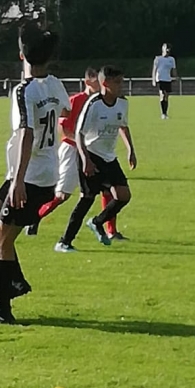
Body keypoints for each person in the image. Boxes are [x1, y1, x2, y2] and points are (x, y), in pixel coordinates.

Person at [0, 24, 70, 325]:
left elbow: (26, 133)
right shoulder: (55, 84)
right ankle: (14, 280)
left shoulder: (23, 90)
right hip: (41, 171)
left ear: (21, 55)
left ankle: (2, 311)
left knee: (3, 240)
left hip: (28, 176)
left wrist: (17, 182)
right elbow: (65, 112)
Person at [54, 65, 137, 253]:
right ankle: (64, 242)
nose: (121, 86)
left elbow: (123, 126)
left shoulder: (122, 103)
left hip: (109, 157)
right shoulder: (93, 104)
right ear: (105, 84)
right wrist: (86, 160)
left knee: (123, 195)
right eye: (117, 82)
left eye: (122, 82)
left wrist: (130, 150)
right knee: (87, 199)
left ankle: (97, 222)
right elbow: (79, 133)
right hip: (91, 154)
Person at [23, 67, 101, 235]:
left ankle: (109, 230)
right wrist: (81, 143)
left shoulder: (98, 102)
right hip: (71, 149)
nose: (100, 84)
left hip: (88, 151)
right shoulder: (76, 100)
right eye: (97, 81)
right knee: (61, 195)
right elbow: (63, 128)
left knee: (106, 188)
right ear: (88, 82)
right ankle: (33, 218)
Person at [152, 43, 177, 119]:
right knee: (162, 94)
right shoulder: (158, 59)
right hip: (160, 79)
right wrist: (153, 79)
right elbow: (154, 69)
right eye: (166, 48)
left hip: (167, 79)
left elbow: (173, 69)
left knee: (166, 97)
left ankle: (165, 113)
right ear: (163, 49)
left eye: (168, 49)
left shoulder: (171, 59)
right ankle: (163, 113)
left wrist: (175, 77)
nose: (167, 50)